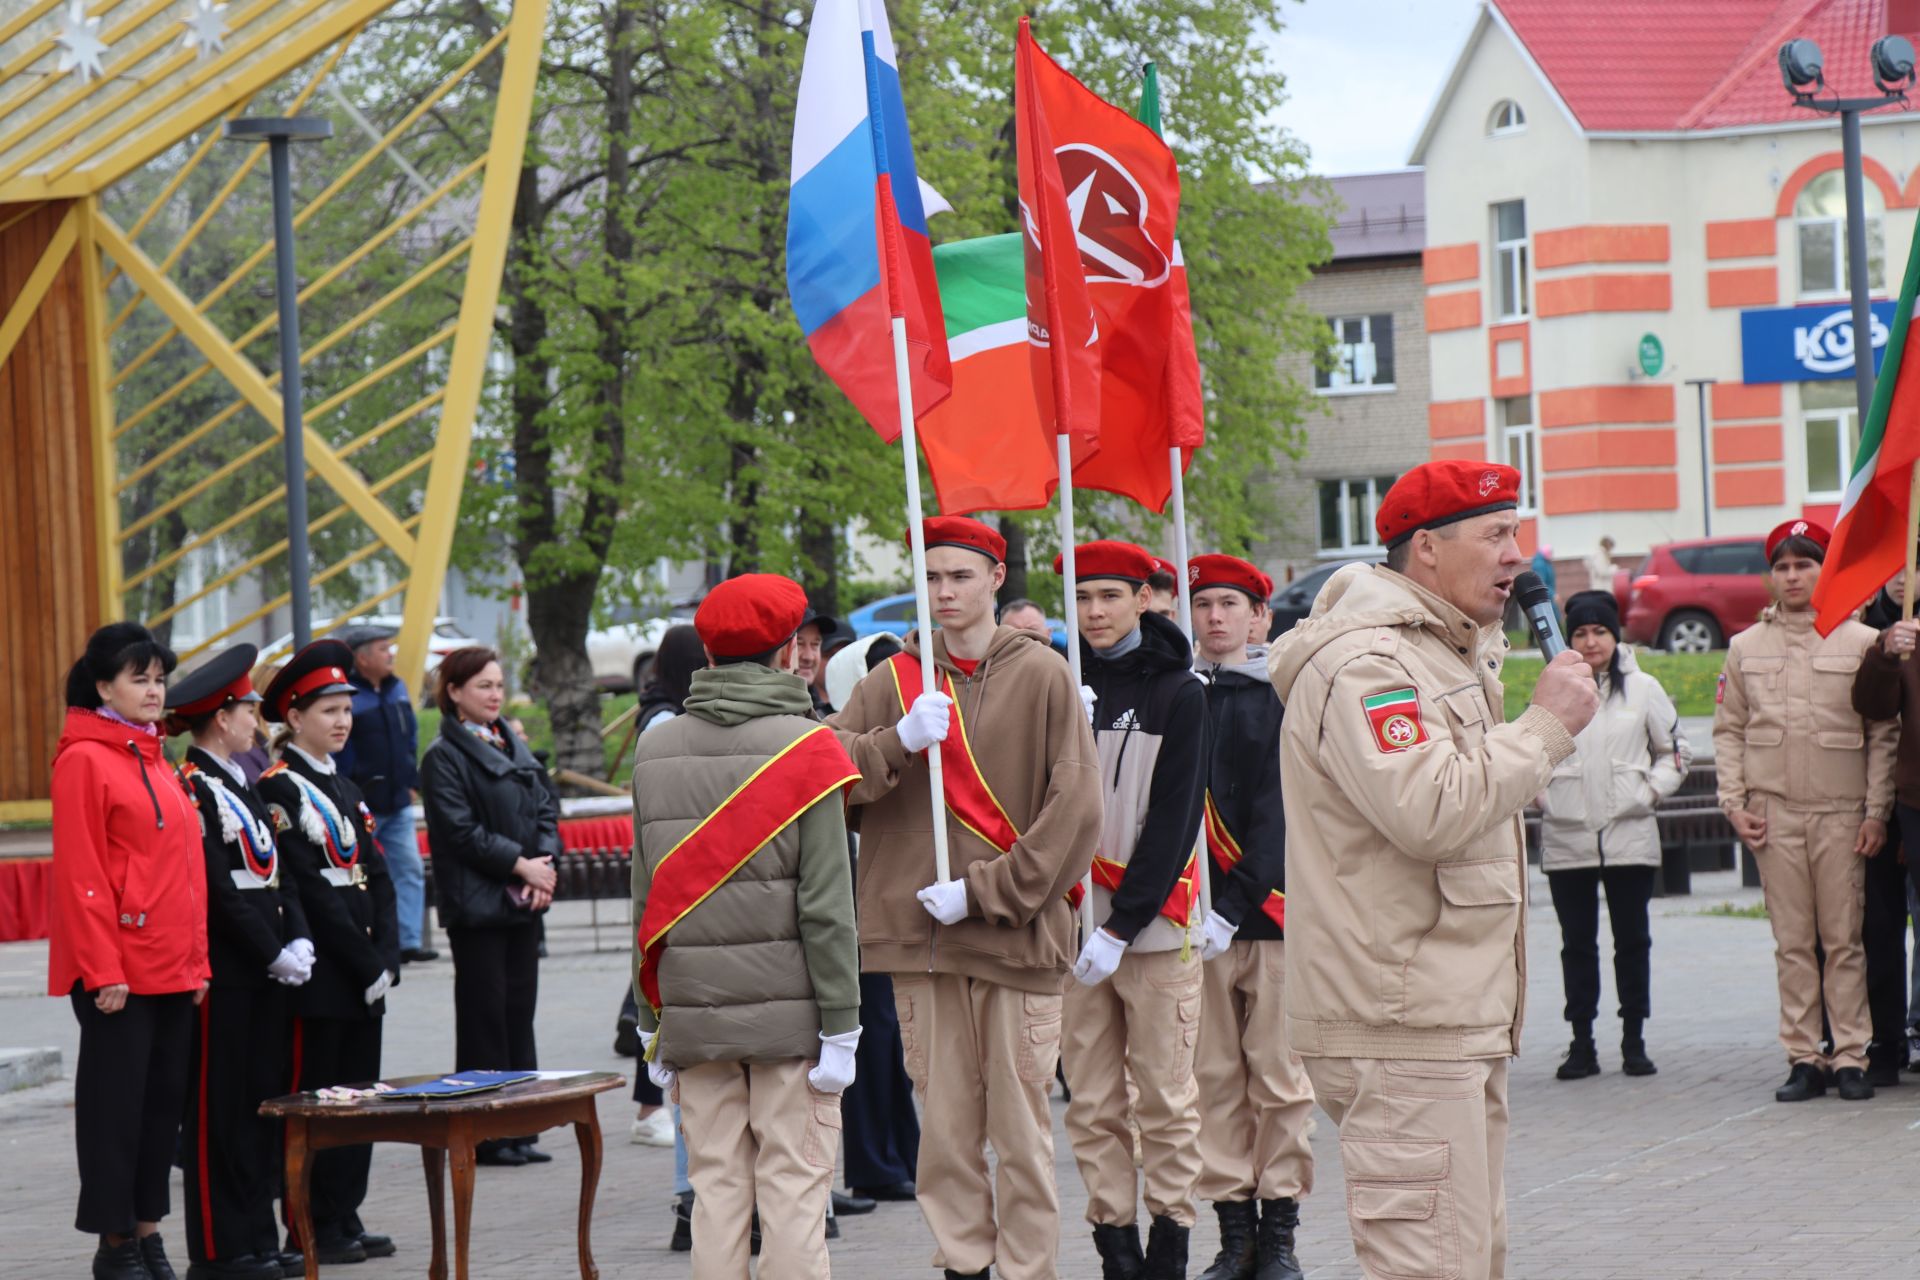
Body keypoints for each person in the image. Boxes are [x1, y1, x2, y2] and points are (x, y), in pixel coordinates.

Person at [1268, 460, 1599, 1280]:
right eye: (1494, 535)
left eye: (1515, 533)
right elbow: (1431, 808)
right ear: (1425, 549)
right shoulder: (1370, 665)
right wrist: (1545, 727)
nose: (1515, 556)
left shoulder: (1442, 651)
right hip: (1401, 1025)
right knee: (1433, 1265)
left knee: (1467, 1258)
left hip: (1444, 1016)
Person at [830, 515, 1101, 1280]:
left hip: (1016, 938)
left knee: (1020, 1136)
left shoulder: (1044, 673)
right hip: (926, 942)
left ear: (995, 577)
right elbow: (825, 775)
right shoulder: (893, 683)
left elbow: (1076, 809)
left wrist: (987, 891)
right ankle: (963, 1267)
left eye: (959, 575)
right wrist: (896, 743)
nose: (943, 592)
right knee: (945, 1136)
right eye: (931, 577)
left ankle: (1026, 1272)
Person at [630, 573, 863, 1280]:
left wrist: (650, 1016)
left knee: (716, 1193)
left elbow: (646, 900)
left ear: (707, 647)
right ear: (790, 649)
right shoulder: (811, 747)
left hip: (694, 1010)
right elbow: (826, 904)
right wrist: (844, 1021)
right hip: (791, 1014)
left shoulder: (655, 750)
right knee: (793, 1190)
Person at [1058, 539, 1208, 1280]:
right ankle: (1114, 1247)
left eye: (1109, 596)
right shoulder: (1057, 685)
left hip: (1147, 929)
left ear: (1142, 599)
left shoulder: (1181, 691)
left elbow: (1176, 822)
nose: (1094, 613)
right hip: (1069, 929)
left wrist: (1122, 923)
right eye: (1082, 598)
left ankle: (1170, 1246)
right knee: (1090, 1104)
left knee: (1165, 1100)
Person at [50, 622, 210, 1280]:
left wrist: (198, 961)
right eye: (138, 678)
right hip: (119, 973)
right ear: (102, 686)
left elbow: (186, 872)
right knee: (116, 1115)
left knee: (160, 1111)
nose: (153, 690)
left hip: (173, 966)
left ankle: (148, 1233)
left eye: (159, 678)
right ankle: (115, 1244)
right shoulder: (84, 759)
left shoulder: (155, 757)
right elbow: (81, 873)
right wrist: (103, 968)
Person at [1716, 519, 1894, 1102]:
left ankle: (1850, 1056)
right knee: (1792, 941)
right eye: (1783, 567)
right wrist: (1733, 804)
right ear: (1772, 576)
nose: (1792, 576)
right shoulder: (1745, 648)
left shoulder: (1860, 640)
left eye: (1805, 564)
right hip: (1775, 815)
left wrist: (1875, 811)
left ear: (1824, 571)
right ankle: (1802, 1057)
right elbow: (1729, 731)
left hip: (1842, 814)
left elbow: (1881, 734)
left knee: (1843, 940)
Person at [169, 645, 314, 1280]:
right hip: (229, 970)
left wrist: (298, 939)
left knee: (258, 1109)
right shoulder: (195, 788)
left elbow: (277, 872)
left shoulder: (242, 784)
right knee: (218, 1115)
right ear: (222, 718)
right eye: (249, 709)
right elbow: (217, 890)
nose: (257, 720)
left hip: (266, 970)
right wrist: (269, 950)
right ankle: (219, 1248)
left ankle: (256, 1233)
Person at [1186, 554, 1311, 1280]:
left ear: (1260, 618)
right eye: (1203, 605)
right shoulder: (1182, 696)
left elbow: (1279, 812)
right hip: (1191, 918)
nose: (1216, 617)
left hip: (1266, 911)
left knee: (1280, 1079)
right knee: (1213, 1080)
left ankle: (1282, 1230)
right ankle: (1235, 1233)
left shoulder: (1280, 698)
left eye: (1231, 604)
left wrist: (1232, 907)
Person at [256, 642, 401, 1265]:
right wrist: (365, 964)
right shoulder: (281, 790)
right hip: (326, 974)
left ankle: (345, 1210)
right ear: (294, 718)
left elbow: (378, 872)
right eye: (328, 711)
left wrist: (390, 953)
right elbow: (310, 887)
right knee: (320, 1102)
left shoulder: (341, 783)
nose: (342, 721)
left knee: (359, 1100)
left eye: (347, 709)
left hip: (365, 966)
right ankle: (310, 1221)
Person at [1538, 591, 1692, 1082]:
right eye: (1580, 633)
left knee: (1632, 941)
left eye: (1599, 631)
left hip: (1629, 833)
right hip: (1568, 836)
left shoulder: (1644, 688)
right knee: (1576, 945)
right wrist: (1546, 798)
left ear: (1614, 634)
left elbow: (1675, 751)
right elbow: (1529, 748)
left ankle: (1634, 1039)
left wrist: (1648, 793)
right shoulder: (1551, 688)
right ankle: (1581, 1043)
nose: (1590, 641)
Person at [418, 646, 560, 1167]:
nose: (495, 694)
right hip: (479, 903)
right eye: (483, 685)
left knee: (518, 1011)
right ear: (454, 693)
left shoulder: (510, 743)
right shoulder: (444, 756)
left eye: (499, 684)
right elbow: (459, 831)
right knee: (484, 1016)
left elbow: (546, 805)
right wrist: (520, 866)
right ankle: (485, 1132)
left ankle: (520, 1124)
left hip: (522, 898)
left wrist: (543, 866)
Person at [616, 622, 707, 1151]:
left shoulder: (662, 711)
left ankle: (652, 1103)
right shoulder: (664, 720)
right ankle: (650, 1105)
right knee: (653, 994)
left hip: (672, 867)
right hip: (673, 868)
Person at [1849, 573, 1918, 1085]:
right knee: (1880, 925)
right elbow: (1873, 707)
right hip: (1887, 804)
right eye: (1893, 570)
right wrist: (1886, 652)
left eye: (1912, 569)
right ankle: (1887, 1038)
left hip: (1903, 797)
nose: (1903, 581)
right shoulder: (1870, 629)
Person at [333, 625, 431, 963]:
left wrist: (411, 780)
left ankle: (408, 942)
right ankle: (372, 938)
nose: (390, 654)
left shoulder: (397, 689)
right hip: (363, 803)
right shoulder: (347, 695)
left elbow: (411, 737)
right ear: (361, 657)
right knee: (365, 875)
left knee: (409, 870)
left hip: (399, 800)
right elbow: (341, 751)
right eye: (382, 648)